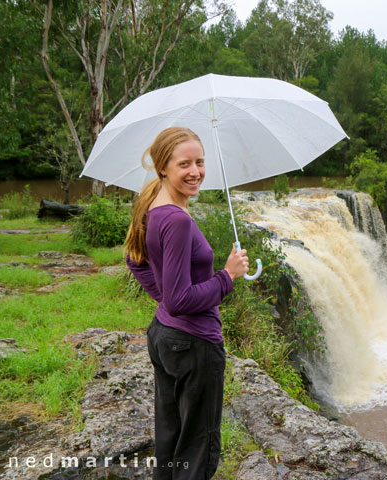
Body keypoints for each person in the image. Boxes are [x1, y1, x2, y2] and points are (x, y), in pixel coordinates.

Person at [124, 126, 248, 479]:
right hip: (194, 345)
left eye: (200, 162)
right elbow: (180, 299)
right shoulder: (176, 221)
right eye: (185, 164)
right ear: (163, 167)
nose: (195, 171)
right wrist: (227, 275)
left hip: (164, 337)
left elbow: (134, 260)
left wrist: (164, 296)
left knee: (171, 439)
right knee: (197, 447)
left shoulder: (154, 205)